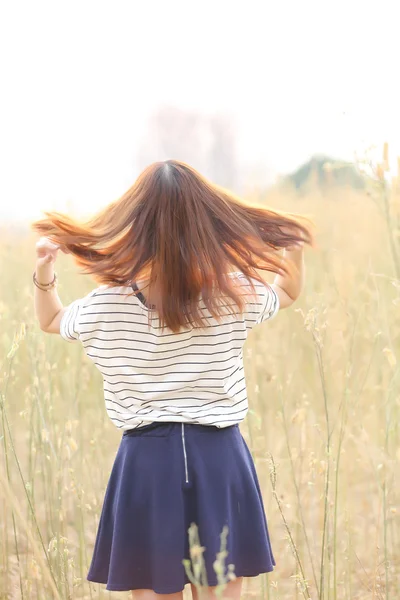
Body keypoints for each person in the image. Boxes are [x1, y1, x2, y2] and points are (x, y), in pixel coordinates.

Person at [32, 159, 314, 600]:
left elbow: (50, 320)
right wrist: (291, 248)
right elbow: (289, 292)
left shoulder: (106, 305)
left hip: (146, 464)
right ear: (208, 219)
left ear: (133, 224)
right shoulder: (232, 293)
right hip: (219, 457)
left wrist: (45, 270)